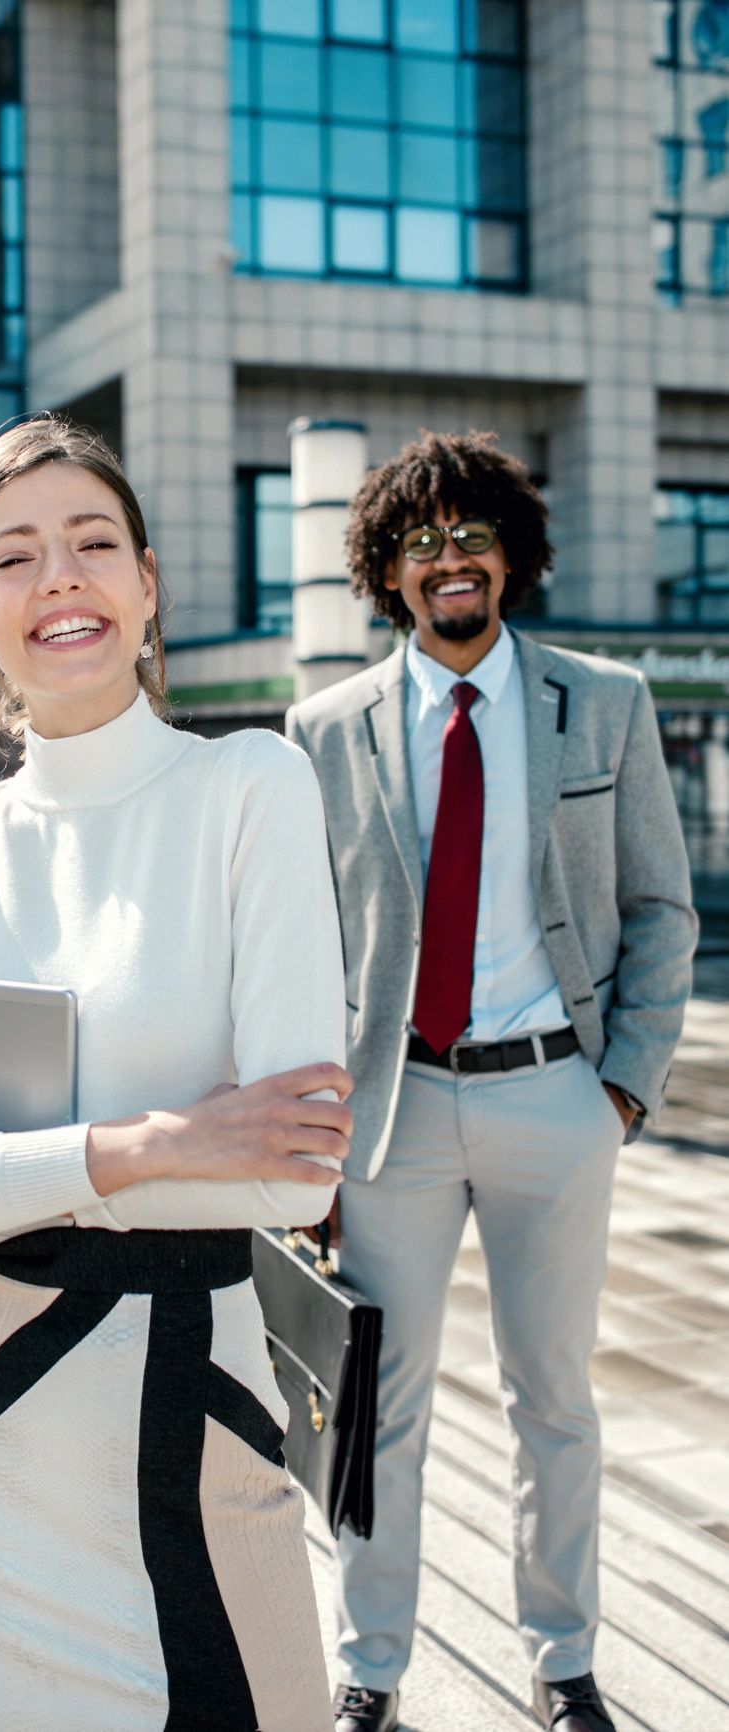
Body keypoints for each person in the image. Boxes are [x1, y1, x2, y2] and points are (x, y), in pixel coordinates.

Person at [0, 416, 351, 1731]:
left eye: (93, 542)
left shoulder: (251, 787)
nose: (60, 576)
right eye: (17, 555)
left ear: (149, 582)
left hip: (193, 1409)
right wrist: (163, 1142)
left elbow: (296, 1175)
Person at [286, 432, 697, 1732]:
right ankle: (372, 1670)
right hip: (391, 1113)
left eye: (471, 536)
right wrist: (310, 1142)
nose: (448, 559)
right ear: (385, 573)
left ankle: (564, 1661)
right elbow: (299, 947)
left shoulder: (606, 701)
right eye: (419, 542)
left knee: (553, 1397)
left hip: (554, 1100)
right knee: (378, 1401)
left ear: (511, 554)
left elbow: (660, 910)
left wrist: (618, 1091)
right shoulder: (325, 729)